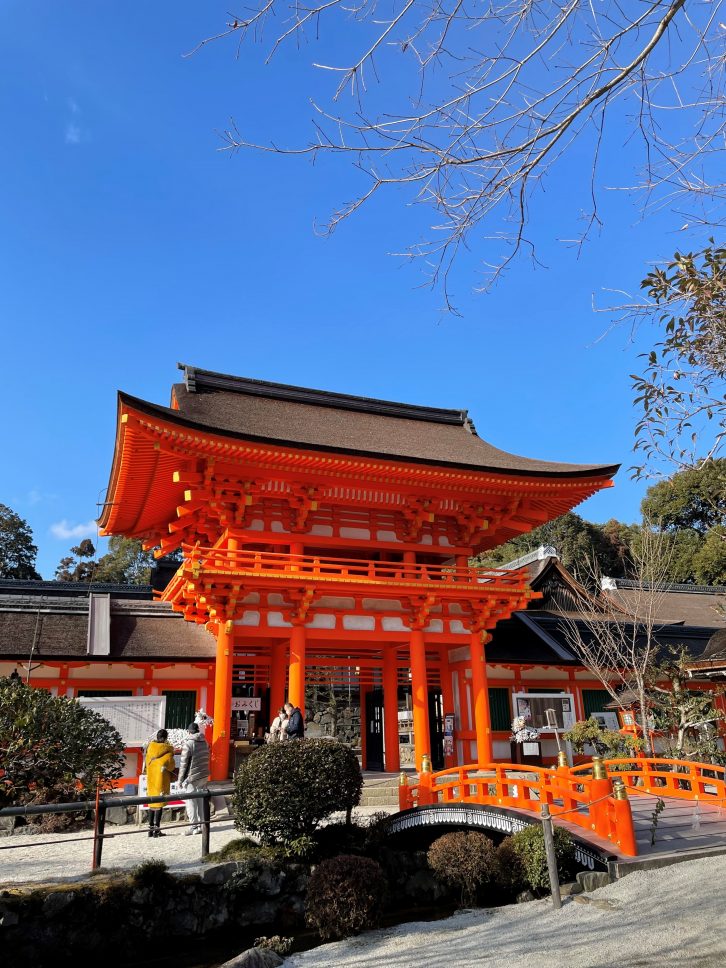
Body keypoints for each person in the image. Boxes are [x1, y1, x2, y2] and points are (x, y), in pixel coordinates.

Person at [178, 721, 210, 835]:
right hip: (203, 775)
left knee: (191, 802)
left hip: (192, 777)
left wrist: (180, 780)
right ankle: (202, 825)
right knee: (201, 801)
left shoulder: (188, 744)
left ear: (189, 732)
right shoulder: (205, 742)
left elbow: (183, 764)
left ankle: (193, 827)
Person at [144, 728, 176, 838]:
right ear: (165, 738)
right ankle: (157, 830)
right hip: (161, 781)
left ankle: (150, 829)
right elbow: (171, 766)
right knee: (159, 805)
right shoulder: (168, 751)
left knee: (152, 804)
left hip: (151, 780)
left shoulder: (150, 749)